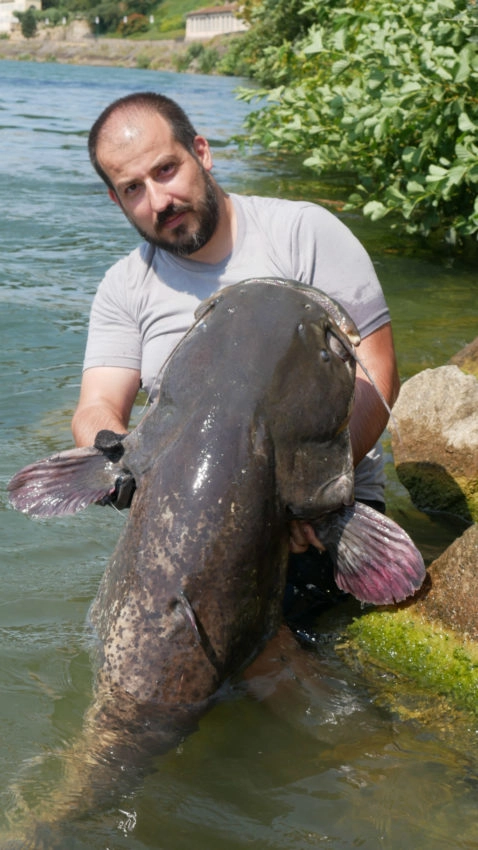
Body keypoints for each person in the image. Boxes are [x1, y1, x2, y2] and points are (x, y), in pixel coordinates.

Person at [72, 91, 400, 623]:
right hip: (194, 531)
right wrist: (114, 451)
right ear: (115, 199)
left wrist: (303, 498)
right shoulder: (122, 287)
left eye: (166, 169)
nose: (159, 200)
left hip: (321, 517)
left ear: (202, 152)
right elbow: (95, 408)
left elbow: (379, 375)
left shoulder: (303, 234)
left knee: (289, 665)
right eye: (133, 188)